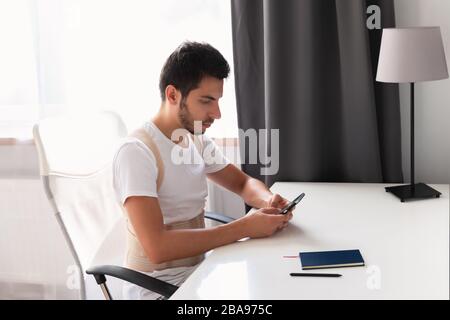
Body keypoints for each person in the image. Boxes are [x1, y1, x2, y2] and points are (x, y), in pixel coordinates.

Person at [113, 41, 294, 299]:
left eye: (218, 101)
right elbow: (157, 247)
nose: (217, 113)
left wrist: (268, 200)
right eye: (206, 101)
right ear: (173, 95)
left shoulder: (194, 139)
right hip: (157, 290)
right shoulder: (136, 152)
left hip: (200, 274)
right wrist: (244, 228)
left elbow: (242, 184)